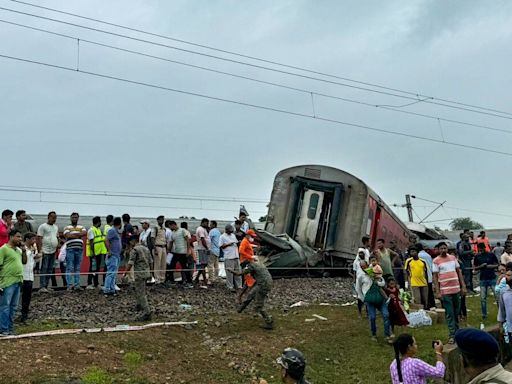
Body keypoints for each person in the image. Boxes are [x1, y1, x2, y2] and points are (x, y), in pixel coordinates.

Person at [433, 242, 466, 343]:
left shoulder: (452, 258)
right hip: (445, 291)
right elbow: (435, 276)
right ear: (438, 250)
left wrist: (463, 286)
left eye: (445, 248)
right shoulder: (436, 261)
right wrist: (438, 292)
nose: (443, 250)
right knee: (450, 313)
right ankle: (452, 334)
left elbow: (458, 271)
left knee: (457, 312)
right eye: (441, 249)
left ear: (447, 249)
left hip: (456, 289)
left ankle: (457, 332)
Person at [229, 261, 273, 330]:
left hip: (262, 285)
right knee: (251, 294)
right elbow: (247, 284)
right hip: (263, 282)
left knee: (259, 305)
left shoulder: (250, 266)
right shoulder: (257, 263)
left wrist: (231, 271)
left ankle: (269, 321)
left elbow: (239, 273)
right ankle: (241, 308)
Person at [356, 260, 392, 343]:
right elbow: (358, 288)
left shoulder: (375, 271)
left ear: (367, 265)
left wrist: (376, 279)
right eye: (362, 267)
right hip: (370, 299)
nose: (364, 268)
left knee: (386, 315)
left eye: (364, 266)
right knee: (372, 317)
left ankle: (387, 335)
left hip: (379, 298)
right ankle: (374, 334)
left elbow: (382, 283)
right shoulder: (361, 276)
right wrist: (363, 298)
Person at [0, 229, 24, 336]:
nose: (20, 239)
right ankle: (3, 329)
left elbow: (24, 261)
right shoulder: (3, 249)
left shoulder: (19, 250)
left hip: (18, 281)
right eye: (18, 237)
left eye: (20, 237)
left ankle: (9, 327)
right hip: (7, 281)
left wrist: (23, 251)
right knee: (5, 305)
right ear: (11, 237)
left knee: (13, 306)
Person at [123, 235, 152, 321]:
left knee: (141, 293)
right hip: (146, 273)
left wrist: (125, 273)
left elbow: (130, 263)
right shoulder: (146, 249)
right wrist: (151, 273)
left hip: (139, 274)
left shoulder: (135, 250)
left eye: (130, 242)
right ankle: (139, 305)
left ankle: (147, 312)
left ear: (133, 241)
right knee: (140, 290)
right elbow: (151, 262)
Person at [473, 242, 499, 321]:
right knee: (483, 298)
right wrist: (480, 267)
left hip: (492, 278)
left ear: (485, 248)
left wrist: (488, 266)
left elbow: (497, 265)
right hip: (483, 279)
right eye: (479, 249)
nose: (480, 251)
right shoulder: (477, 256)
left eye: (481, 249)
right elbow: (475, 268)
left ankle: (501, 313)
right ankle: (484, 315)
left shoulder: (491, 255)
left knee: (497, 297)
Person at [36, 211, 59, 293]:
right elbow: (39, 238)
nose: (54, 219)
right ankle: (42, 286)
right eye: (53, 217)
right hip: (45, 250)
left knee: (50, 269)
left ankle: (46, 285)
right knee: (44, 268)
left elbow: (57, 237)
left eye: (55, 217)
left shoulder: (56, 227)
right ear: (48, 217)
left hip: (53, 251)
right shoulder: (42, 226)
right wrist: (40, 250)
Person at [63, 213, 86, 291]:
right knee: (69, 267)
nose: (74, 219)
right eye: (73, 217)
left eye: (76, 217)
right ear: (70, 218)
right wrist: (78, 235)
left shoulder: (81, 226)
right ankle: (69, 285)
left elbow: (84, 233)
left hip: (79, 249)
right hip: (70, 249)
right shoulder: (67, 227)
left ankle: (77, 285)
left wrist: (73, 234)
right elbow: (68, 236)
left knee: (77, 267)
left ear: (78, 218)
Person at [167, 220, 193, 288]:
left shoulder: (182, 231)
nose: (170, 228)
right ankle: (171, 280)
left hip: (182, 252)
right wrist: (169, 250)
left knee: (184, 267)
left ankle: (189, 282)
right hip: (175, 252)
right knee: (171, 266)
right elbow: (171, 242)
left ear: (173, 225)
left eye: (170, 226)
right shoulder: (172, 233)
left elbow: (187, 240)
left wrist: (188, 250)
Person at [20, 232, 39, 323]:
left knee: (27, 297)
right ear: (27, 239)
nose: (34, 241)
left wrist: (37, 253)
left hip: (30, 276)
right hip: (21, 275)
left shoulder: (33, 249)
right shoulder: (21, 249)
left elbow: (36, 258)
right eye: (32, 239)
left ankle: (24, 315)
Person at [85, 216, 107, 289]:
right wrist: (93, 253)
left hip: (98, 253)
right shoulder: (91, 230)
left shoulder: (98, 230)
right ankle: (89, 283)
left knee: (96, 268)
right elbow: (91, 243)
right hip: (94, 253)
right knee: (92, 268)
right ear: (98, 222)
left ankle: (96, 283)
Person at [220, 224, 242, 292]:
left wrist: (238, 243)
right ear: (226, 230)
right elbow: (221, 246)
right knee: (229, 273)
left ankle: (239, 286)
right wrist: (229, 244)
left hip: (235, 255)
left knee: (238, 271)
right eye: (230, 231)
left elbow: (235, 242)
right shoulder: (222, 237)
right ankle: (230, 286)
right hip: (229, 256)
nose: (231, 232)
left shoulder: (233, 235)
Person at [104, 217, 122, 296]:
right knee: (111, 272)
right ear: (120, 223)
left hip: (117, 255)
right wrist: (109, 250)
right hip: (113, 255)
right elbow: (106, 240)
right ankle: (107, 289)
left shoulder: (116, 231)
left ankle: (111, 289)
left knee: (114, 273)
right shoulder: (112, 231)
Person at [416, 243, 435, 309]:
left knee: (424, 294)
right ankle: (433, 306)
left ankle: (426, 306)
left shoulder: (419, 255)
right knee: (430, 294)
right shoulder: (428, 255)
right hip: (429, 276)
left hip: (423, 277)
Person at [150, 215, 167, 284]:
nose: (162, 221)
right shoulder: (155, 228)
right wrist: (155, 248)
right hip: (157, 247)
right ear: (157, 220)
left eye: (162, 219)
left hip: (163, 247)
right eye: (160, 220)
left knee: (163, 264)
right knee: (157, 264)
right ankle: (157, 279)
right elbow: (152, 238)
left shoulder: (164, 229)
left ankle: (162, 278)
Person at [195, 218, 211, 287]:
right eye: (207, 223)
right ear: (203, 222)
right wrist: (206, 248)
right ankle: (204, 280)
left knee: (204, 265)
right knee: (203, 264)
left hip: (203, 248)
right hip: (202, 249)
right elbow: (202, 239)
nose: (208, 225)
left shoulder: (203, 229)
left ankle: (196, 278)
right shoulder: (200, 229)